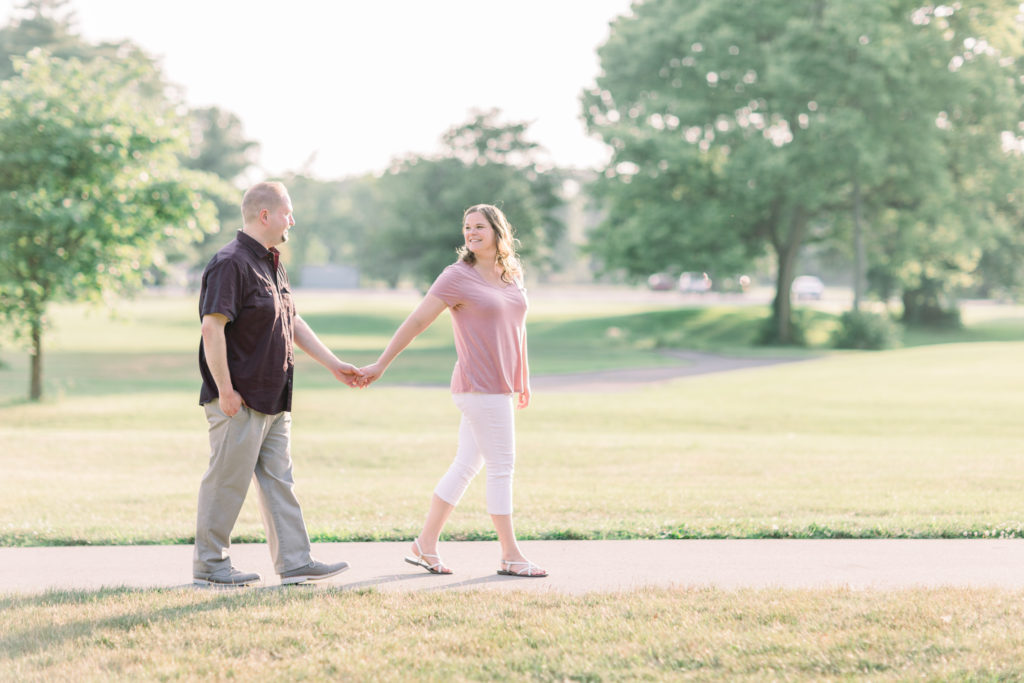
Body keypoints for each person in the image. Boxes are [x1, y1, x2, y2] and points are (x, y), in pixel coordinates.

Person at [360, 204, 547, 578]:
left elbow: (517, 327)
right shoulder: (456, 277)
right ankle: (510, 555)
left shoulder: (510, 273)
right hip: (478, 386)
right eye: (466, 227)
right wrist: (381, 363)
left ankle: (424, 545)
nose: (471, 233)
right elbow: (417, 320)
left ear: (498, 231)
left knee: (467, 465)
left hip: (500, 387)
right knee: (501, 467)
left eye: (479, 226)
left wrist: (522, 379)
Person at [193, 181, 363, 587]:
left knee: (279, 482)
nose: (293, 220)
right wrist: (226, 390)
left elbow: (293, 320)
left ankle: (295, 561)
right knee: (226, 483)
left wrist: (333, 364)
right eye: (288, 211)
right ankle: (210, 566)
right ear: (265, 215)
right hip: (240, 398)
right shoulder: (230, 262)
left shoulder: (271, 261)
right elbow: (211, 328)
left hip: (273, 396)